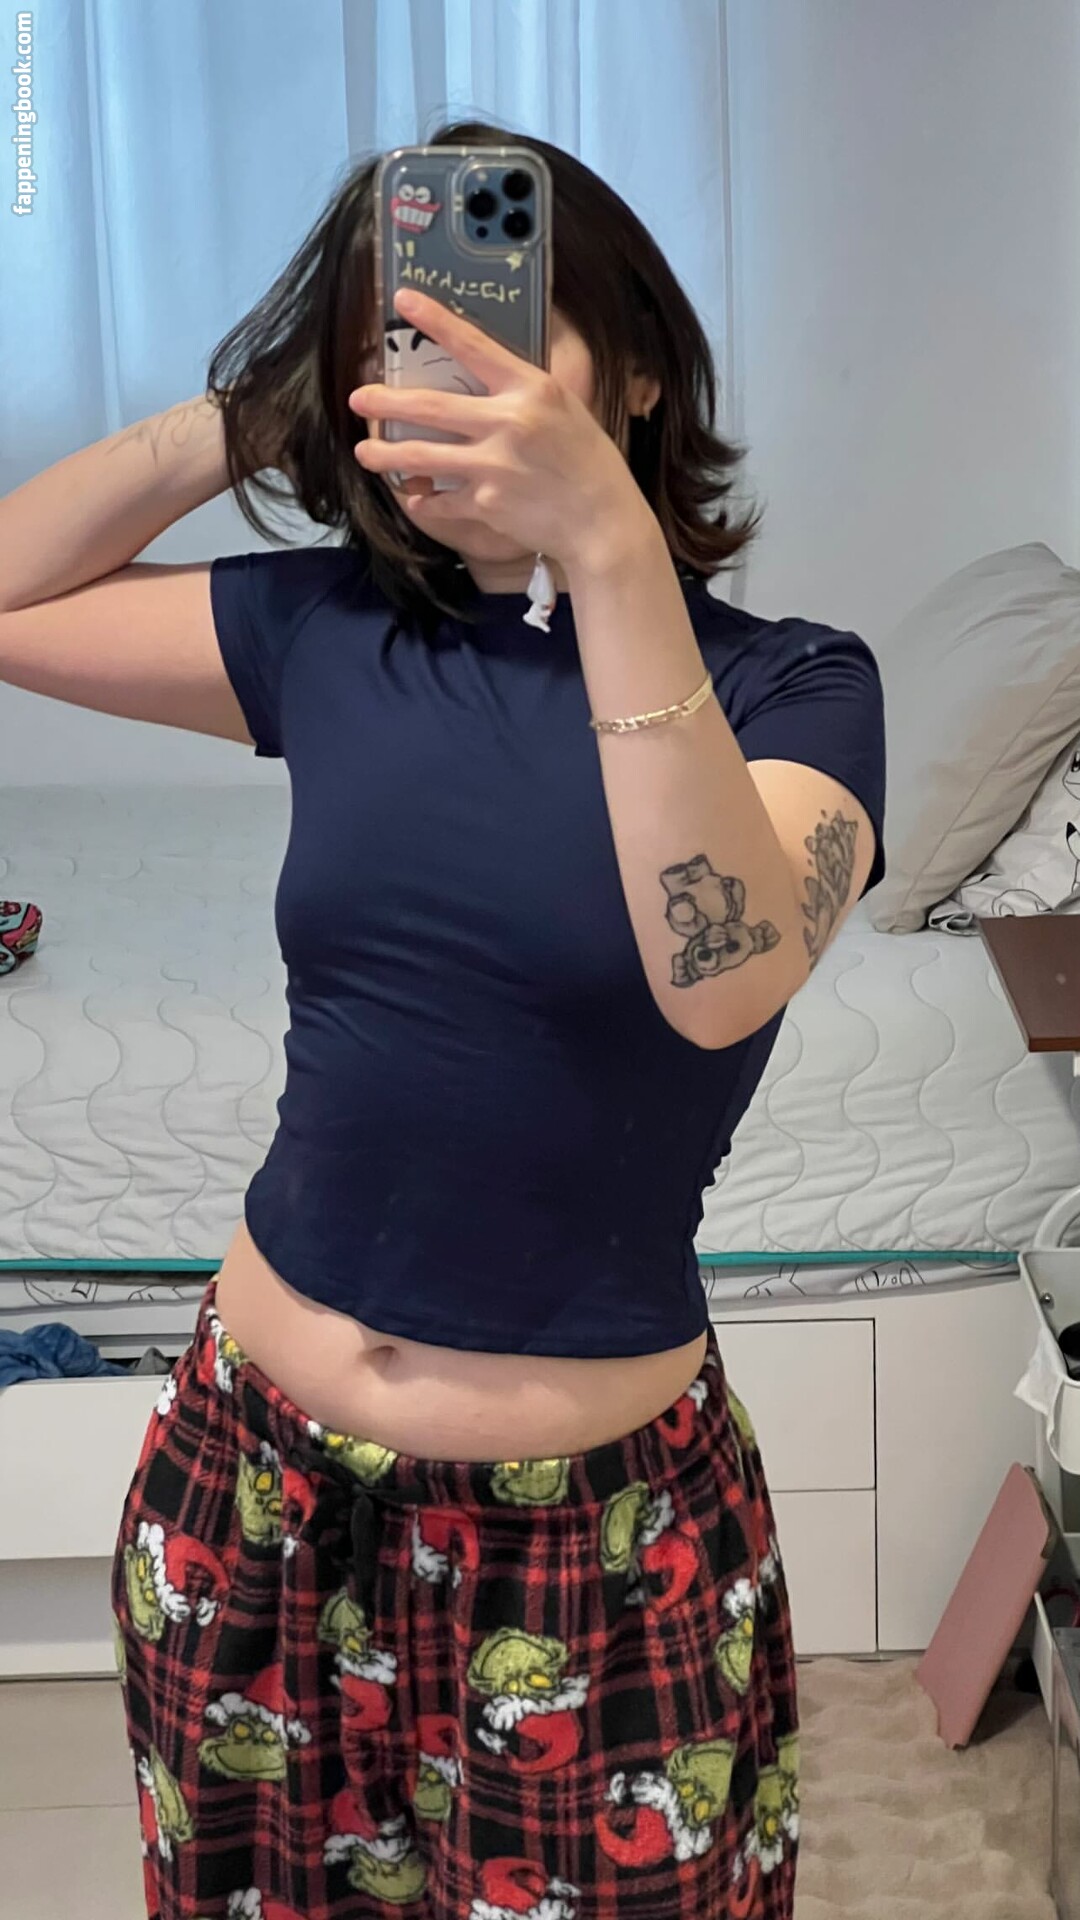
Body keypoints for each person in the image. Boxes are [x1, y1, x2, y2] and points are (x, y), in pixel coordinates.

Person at [0, 119, 885, 1920]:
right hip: (250, 1487)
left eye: (492, 338)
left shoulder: (796, 686)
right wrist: (262, 406)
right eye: (396, 352)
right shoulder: (332, 630)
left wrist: (608, 546)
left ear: (636, 371)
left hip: (597, 1558)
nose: (436, 386)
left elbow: (719, 969)